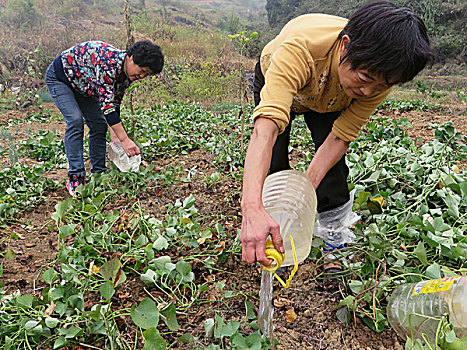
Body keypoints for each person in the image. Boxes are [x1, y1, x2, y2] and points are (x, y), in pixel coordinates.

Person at [240, 1, 435, 272]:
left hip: (331, 95)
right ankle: (270, 231)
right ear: (345, 46)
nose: (369, 92)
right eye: (365, 78)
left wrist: (303, 197)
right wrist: (251, 208)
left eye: (382, 85)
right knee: (274, 160)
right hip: (284, 74)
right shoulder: (300, 47)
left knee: (333, 170)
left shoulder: (380, 77)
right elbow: (266, 129)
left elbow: (340, 137)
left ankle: (333, 237)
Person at [45, 40, 164, 196]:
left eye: (146, 74)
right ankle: (76, 176)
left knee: (99, 125)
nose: (141, 76)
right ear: (131, 57)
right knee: (75, 120)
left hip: (86, 86)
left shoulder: (127, 75)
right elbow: (107, 107)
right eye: (141, 70)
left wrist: (115, 136)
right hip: (62, 78)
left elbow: (114, 104)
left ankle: (99, 174)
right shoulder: (109, 64)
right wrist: (124, 140)